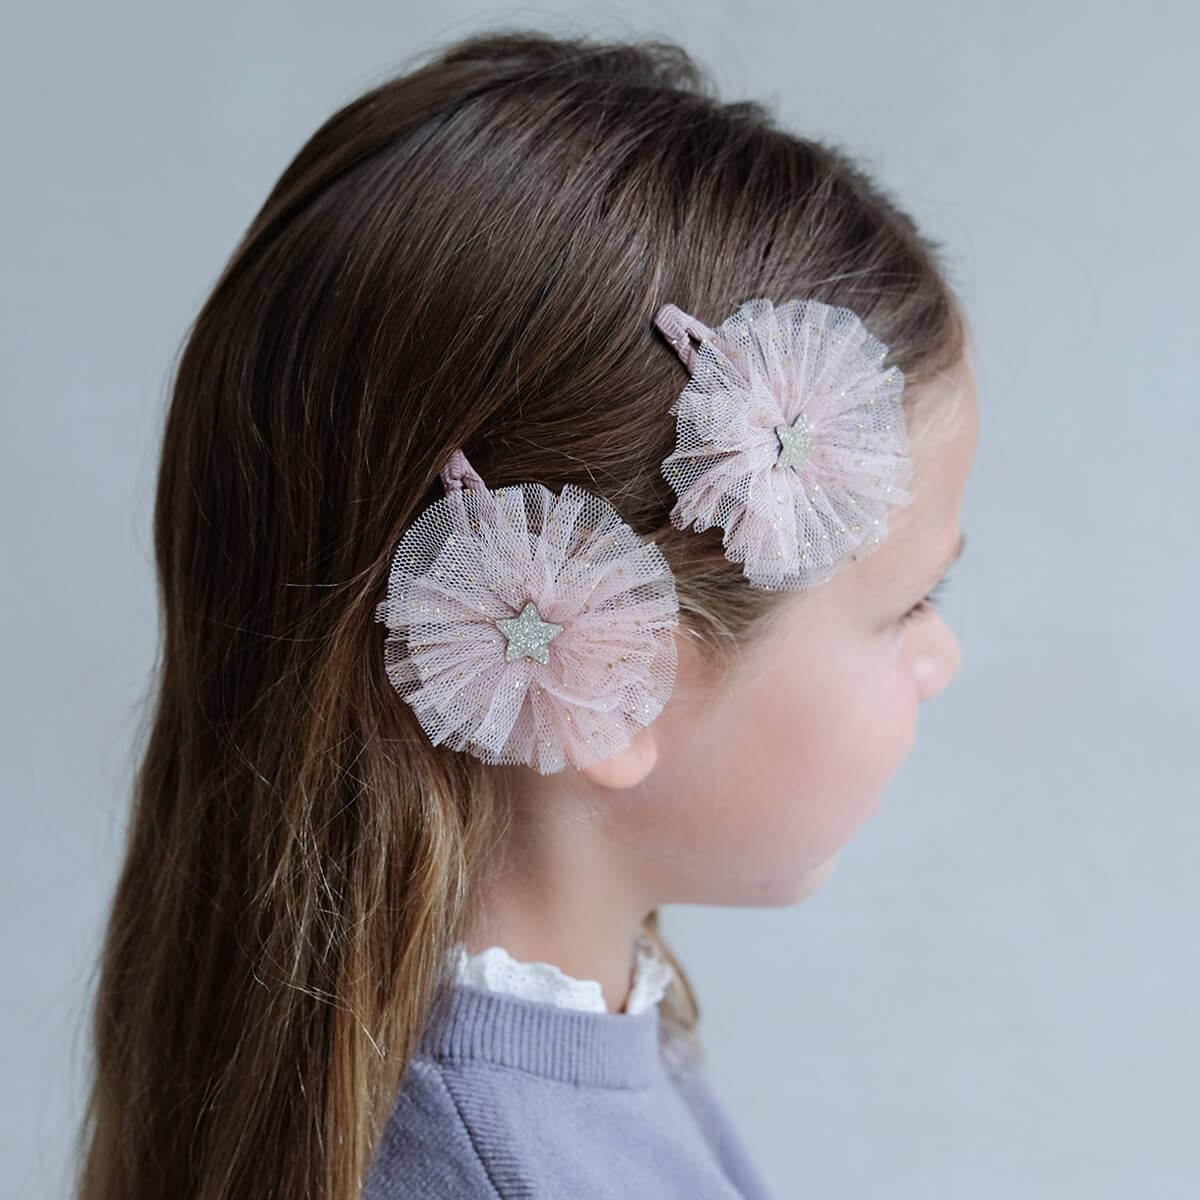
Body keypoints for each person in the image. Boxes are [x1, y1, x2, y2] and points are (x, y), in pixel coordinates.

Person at [73, 27, 979, 1200]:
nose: (941, 656)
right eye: (910, 603)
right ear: (612, 673)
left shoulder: (546, 1070)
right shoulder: (493, 1166)